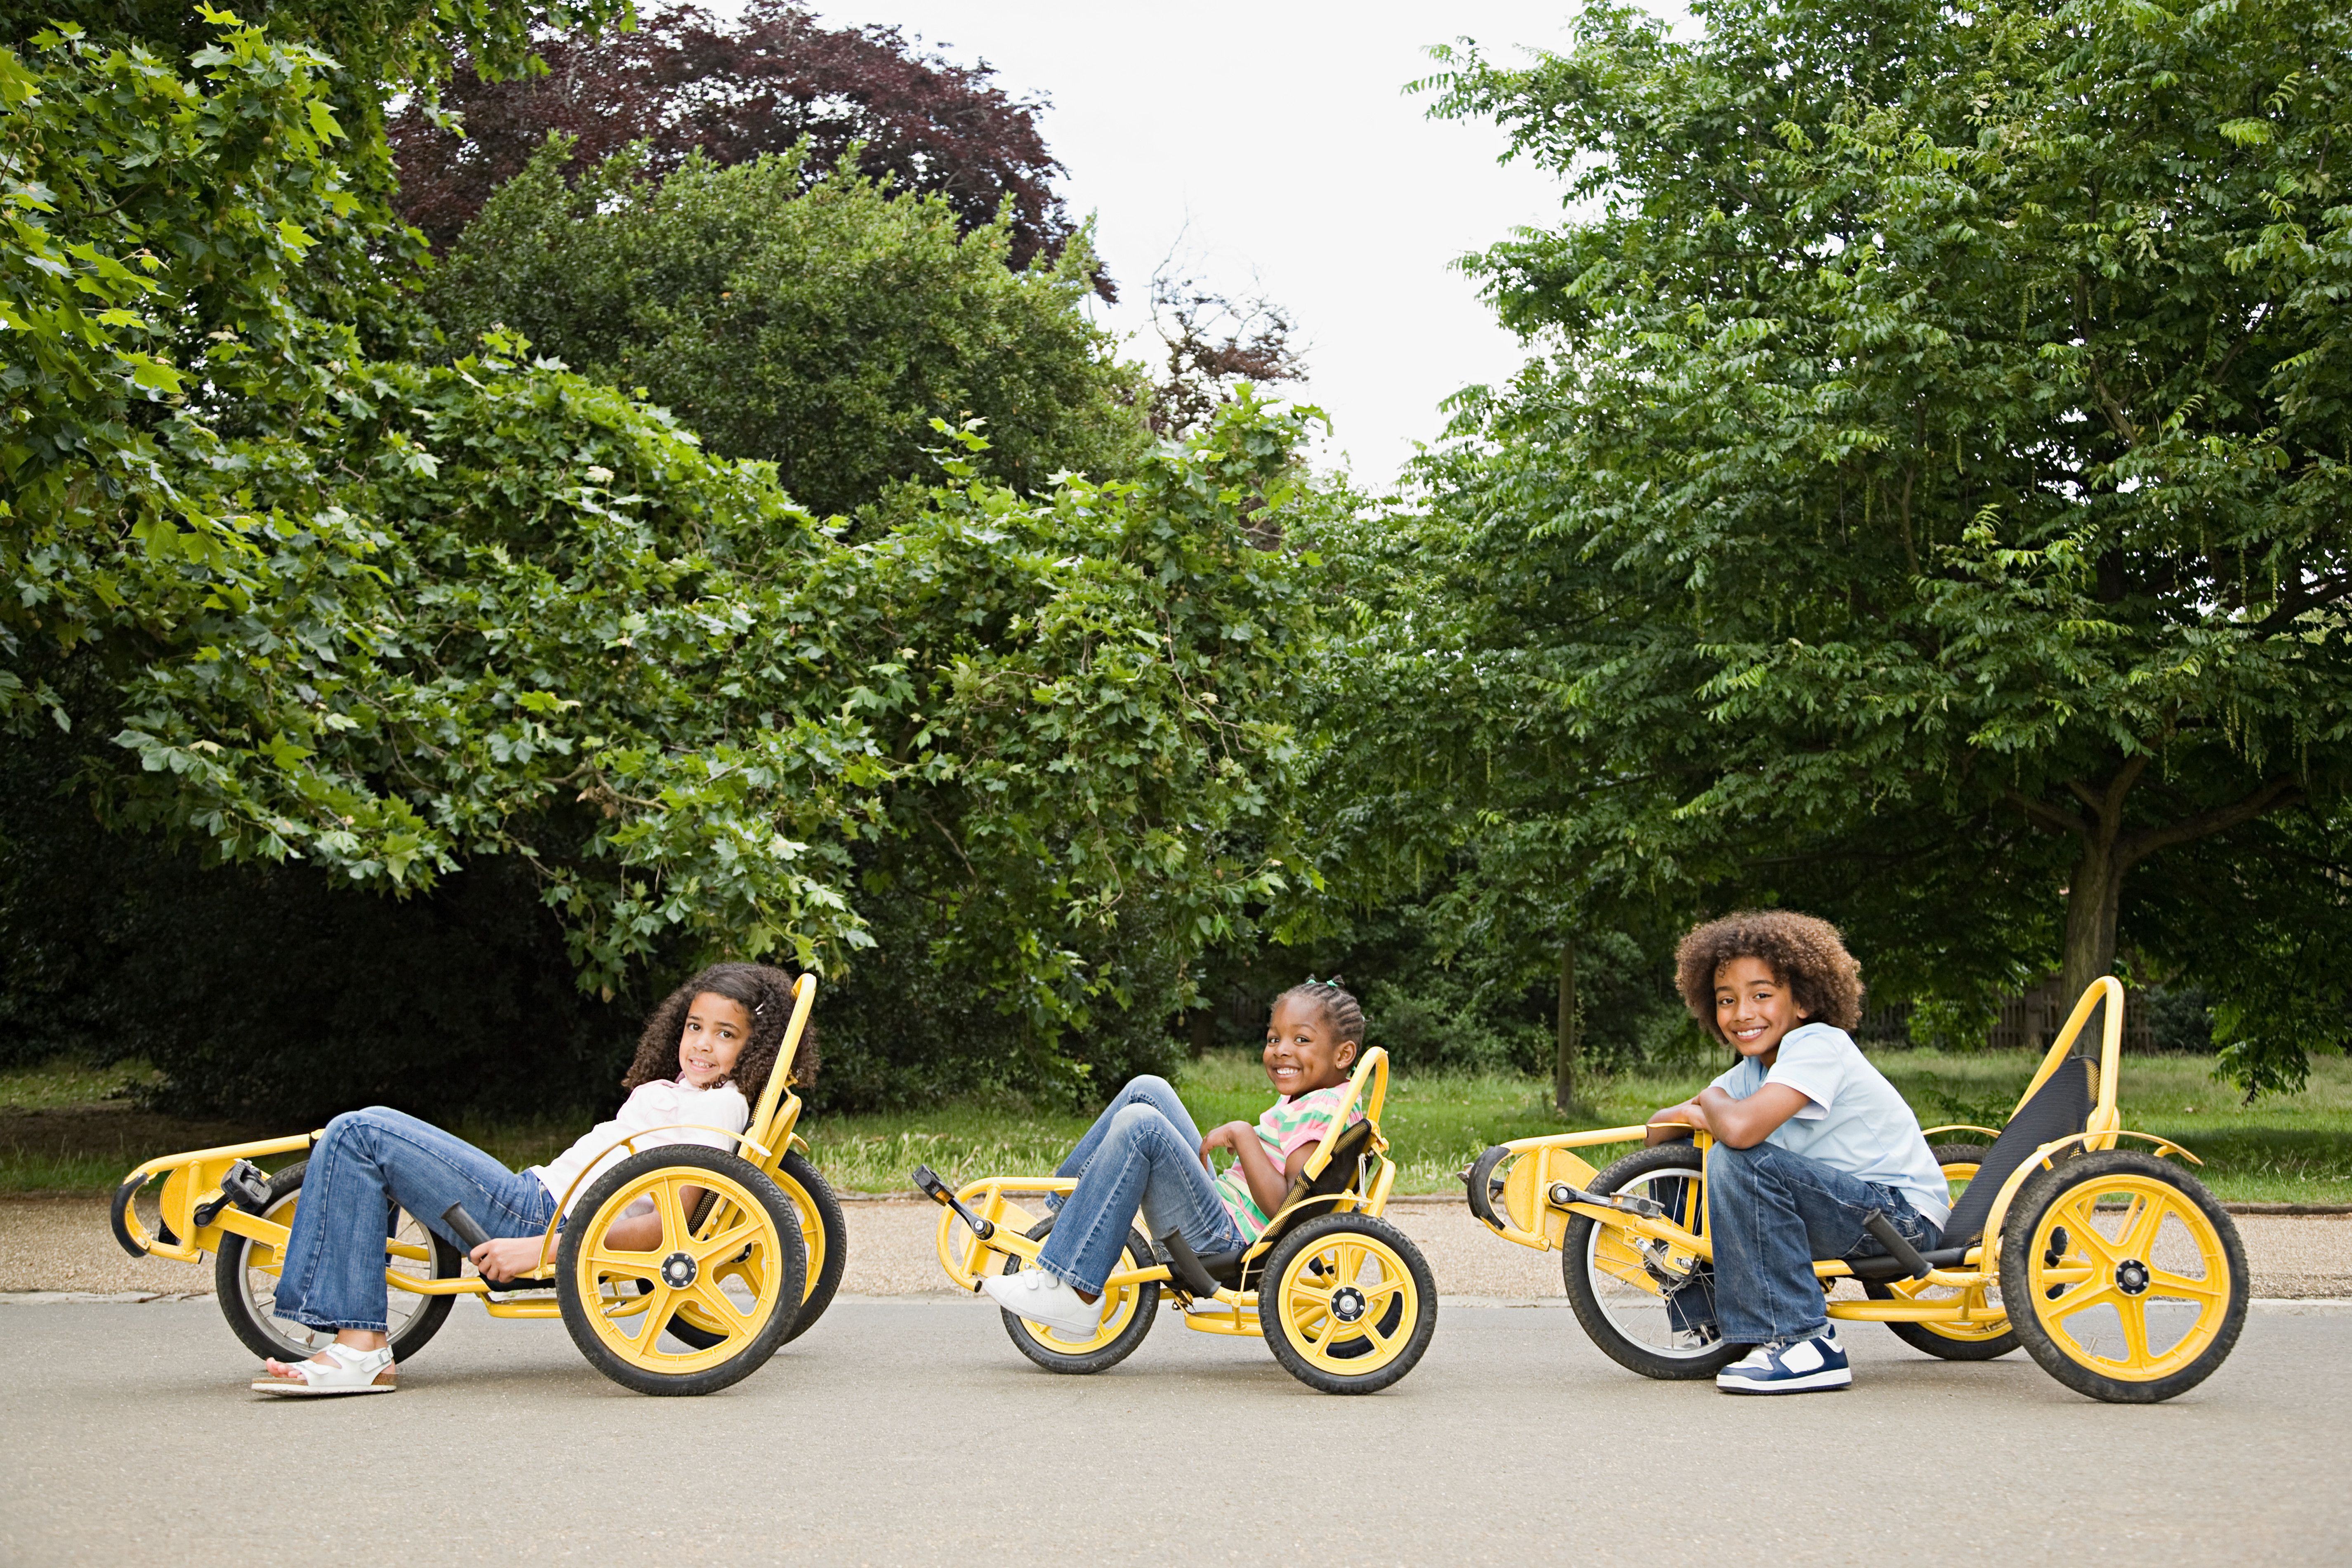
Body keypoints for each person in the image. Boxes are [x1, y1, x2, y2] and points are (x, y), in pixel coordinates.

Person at [251, 961, 812, 1396]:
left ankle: (360, 1348)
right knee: (366, 1131)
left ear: (755, 1051)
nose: (702, 1044)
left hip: (542, 1216)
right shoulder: (691, 1095)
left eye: (725, 1035)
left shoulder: (716, 1111)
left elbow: (667, 1229)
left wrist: (543, 1248)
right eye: (695, 1027)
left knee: (357, 1133)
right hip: (539, 1198)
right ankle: (360, 1341)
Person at [1644, 911, 1949, 1394]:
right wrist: (1700, 1111)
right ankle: (1709, 1328)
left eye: (1762, 995)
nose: (1743, 1012)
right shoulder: (1753, 1068)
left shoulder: (1817, 1044)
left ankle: (1806, 1341)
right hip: (1849, 1210)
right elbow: (1660, 1131)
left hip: (1899, 1219)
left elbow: (1740, 1130)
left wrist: (1711, 1105)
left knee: (1736, 1157)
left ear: (1804, 1000)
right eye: (1727, 1000)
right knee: (1691, 1153)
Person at [984, 979, 1369, 1337]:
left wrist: (1242, 1133)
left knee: (1143, 1126)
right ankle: (1070, 1213)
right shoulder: (1323, 1096)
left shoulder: (1321, 1111)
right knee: (1148, 1090)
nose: (1281, 1049)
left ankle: (1075, 1289)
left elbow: (1285, 1207)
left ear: (1344, 1054)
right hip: (1226, 1215)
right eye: (1274, 1038)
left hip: (1223, 1242)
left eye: (1301, 1039)